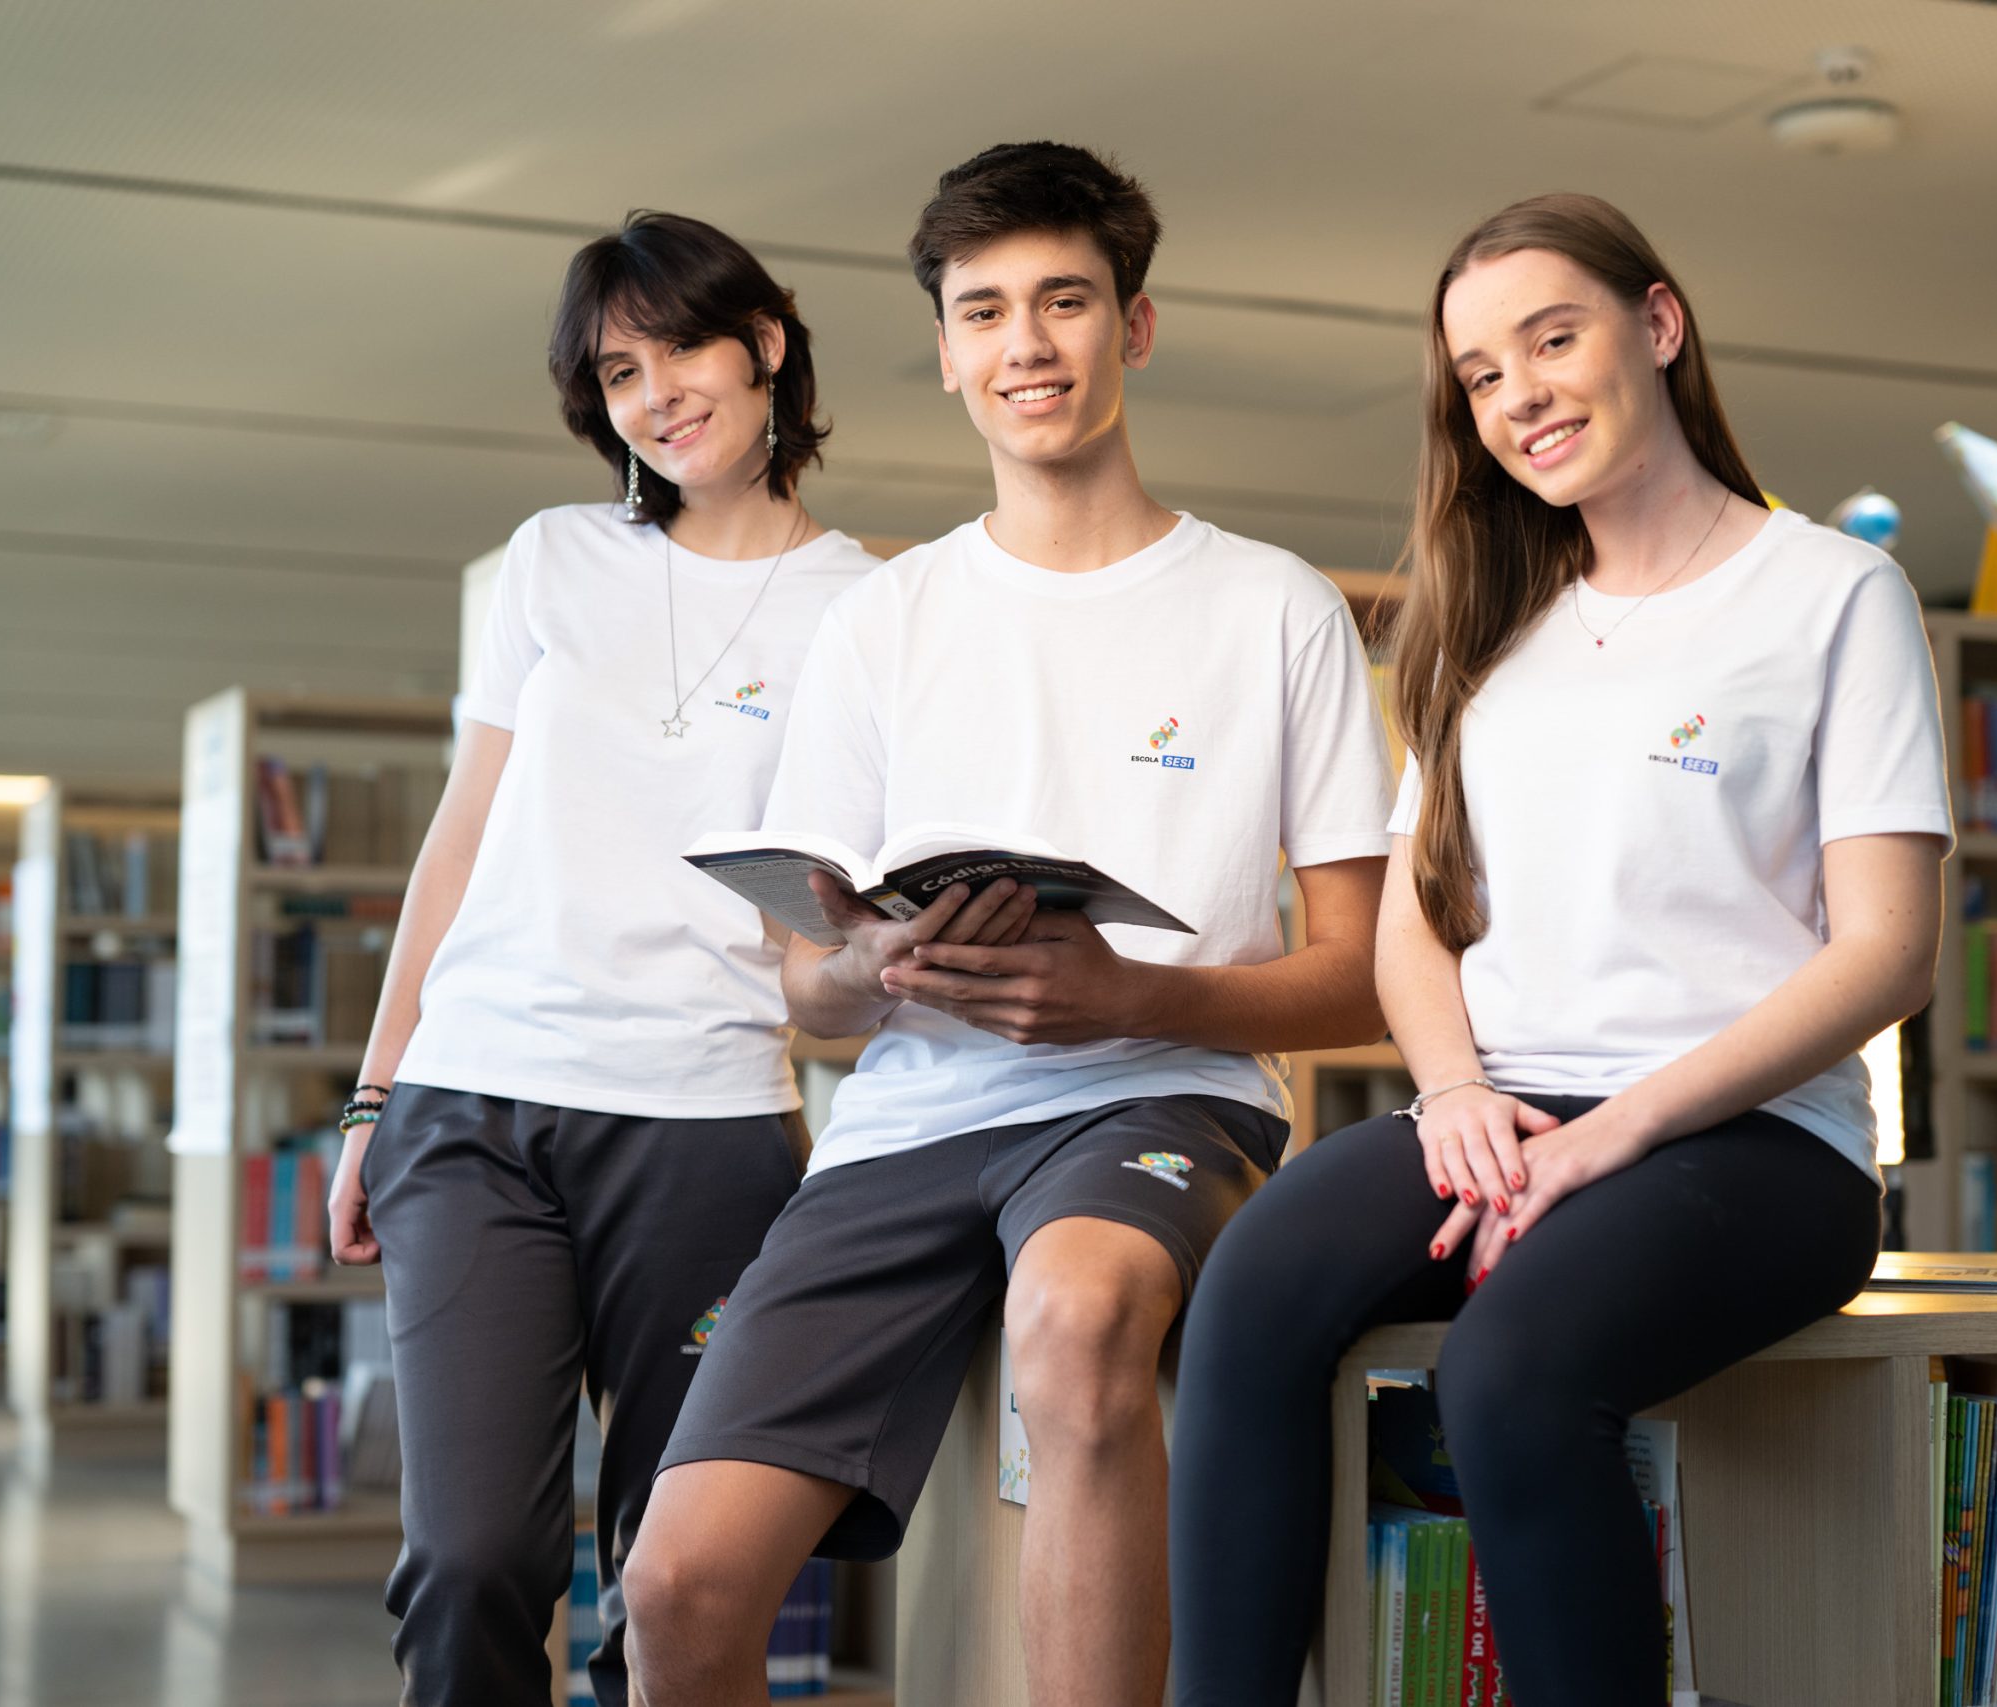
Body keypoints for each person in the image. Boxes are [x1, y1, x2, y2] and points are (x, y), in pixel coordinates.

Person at [621, 142, 1398, 1707]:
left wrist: (1131, 1001)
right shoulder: (883, 621)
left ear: (1137, 326)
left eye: (1064, 301)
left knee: (1078, 1310)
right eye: (986, 311)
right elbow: (812, 995)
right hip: (904, 1127)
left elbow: (1365, 979)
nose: (1025, 346)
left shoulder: (1275, 607)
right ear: (946, 346)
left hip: (1162, 1100)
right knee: (676, 1585)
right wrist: (859, 963)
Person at [1166, 192, 1952, 1706]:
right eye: (1479, 372)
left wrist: (1623, 1133)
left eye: (1551, 337)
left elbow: (1890, 952)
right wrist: (1453, 1091)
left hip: (1753, 1146)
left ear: (1656, 328)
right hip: (1502, 1111)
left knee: (1511, 1382)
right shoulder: (1489, 621)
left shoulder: (1832, 596)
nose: (1517, 391)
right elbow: (1412, 921)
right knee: (1245, 1299)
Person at [323, 210, 881, 1707]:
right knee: (469, 1563)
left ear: (766, 344)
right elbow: (465, 830)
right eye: (616, 372)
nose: (657, 395)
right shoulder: (551, 559)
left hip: (704, 1125)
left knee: (672, 1580)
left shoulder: (870, 608)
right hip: (473, 1106)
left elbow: (826, 921)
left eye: (683, 346)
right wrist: (375, 1098)